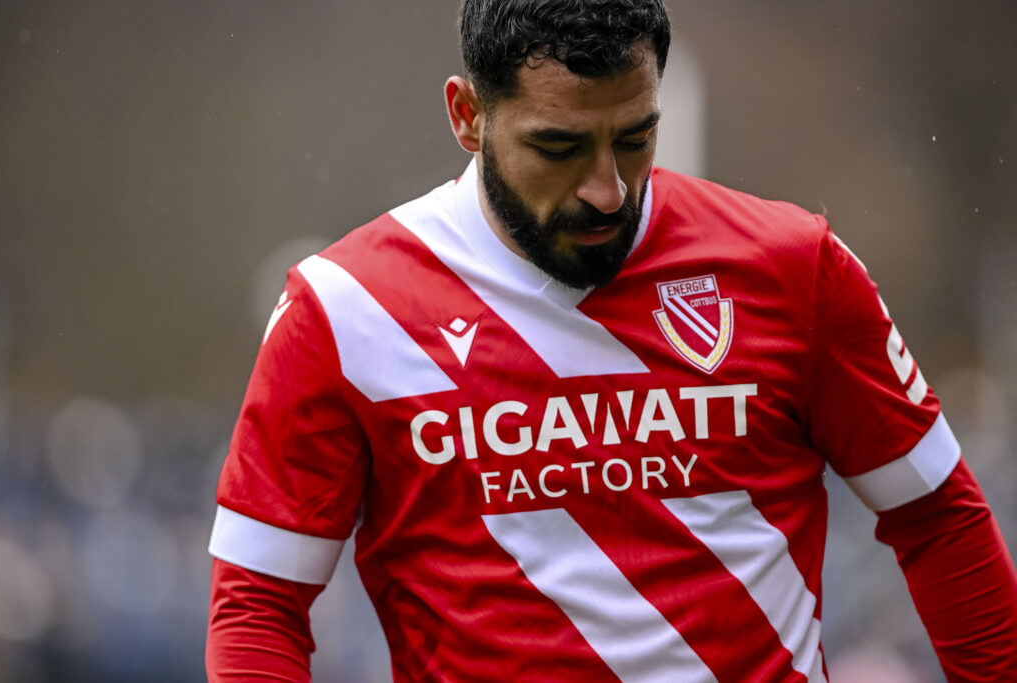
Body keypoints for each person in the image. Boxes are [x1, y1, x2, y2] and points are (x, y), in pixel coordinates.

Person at [205, 1, 1017, 681]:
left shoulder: (793, 268)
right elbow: (259, 605)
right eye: (559, 147)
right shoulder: (342, 309)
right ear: (467, 116)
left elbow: (939, 518)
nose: (607, 190)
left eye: (634, 138)